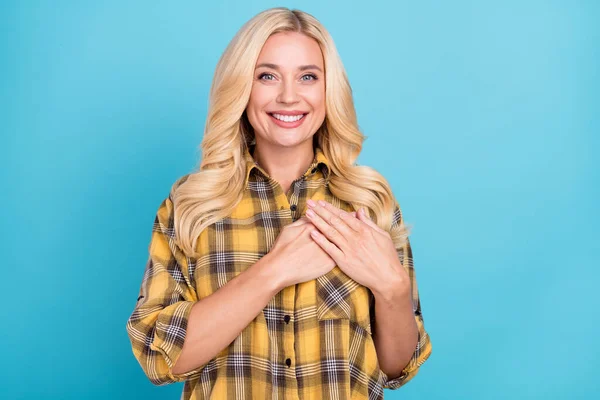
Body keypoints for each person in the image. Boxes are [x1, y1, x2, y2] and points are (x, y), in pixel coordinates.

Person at [125, 7, 431, 400]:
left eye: (308, 77)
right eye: (267, 76)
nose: (289, 96)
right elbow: (158, 356)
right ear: (241, 87)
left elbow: (395, 368)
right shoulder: (190, 207)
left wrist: (392, 288)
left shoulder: (368, 202)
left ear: (328, 90)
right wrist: (275, 270)